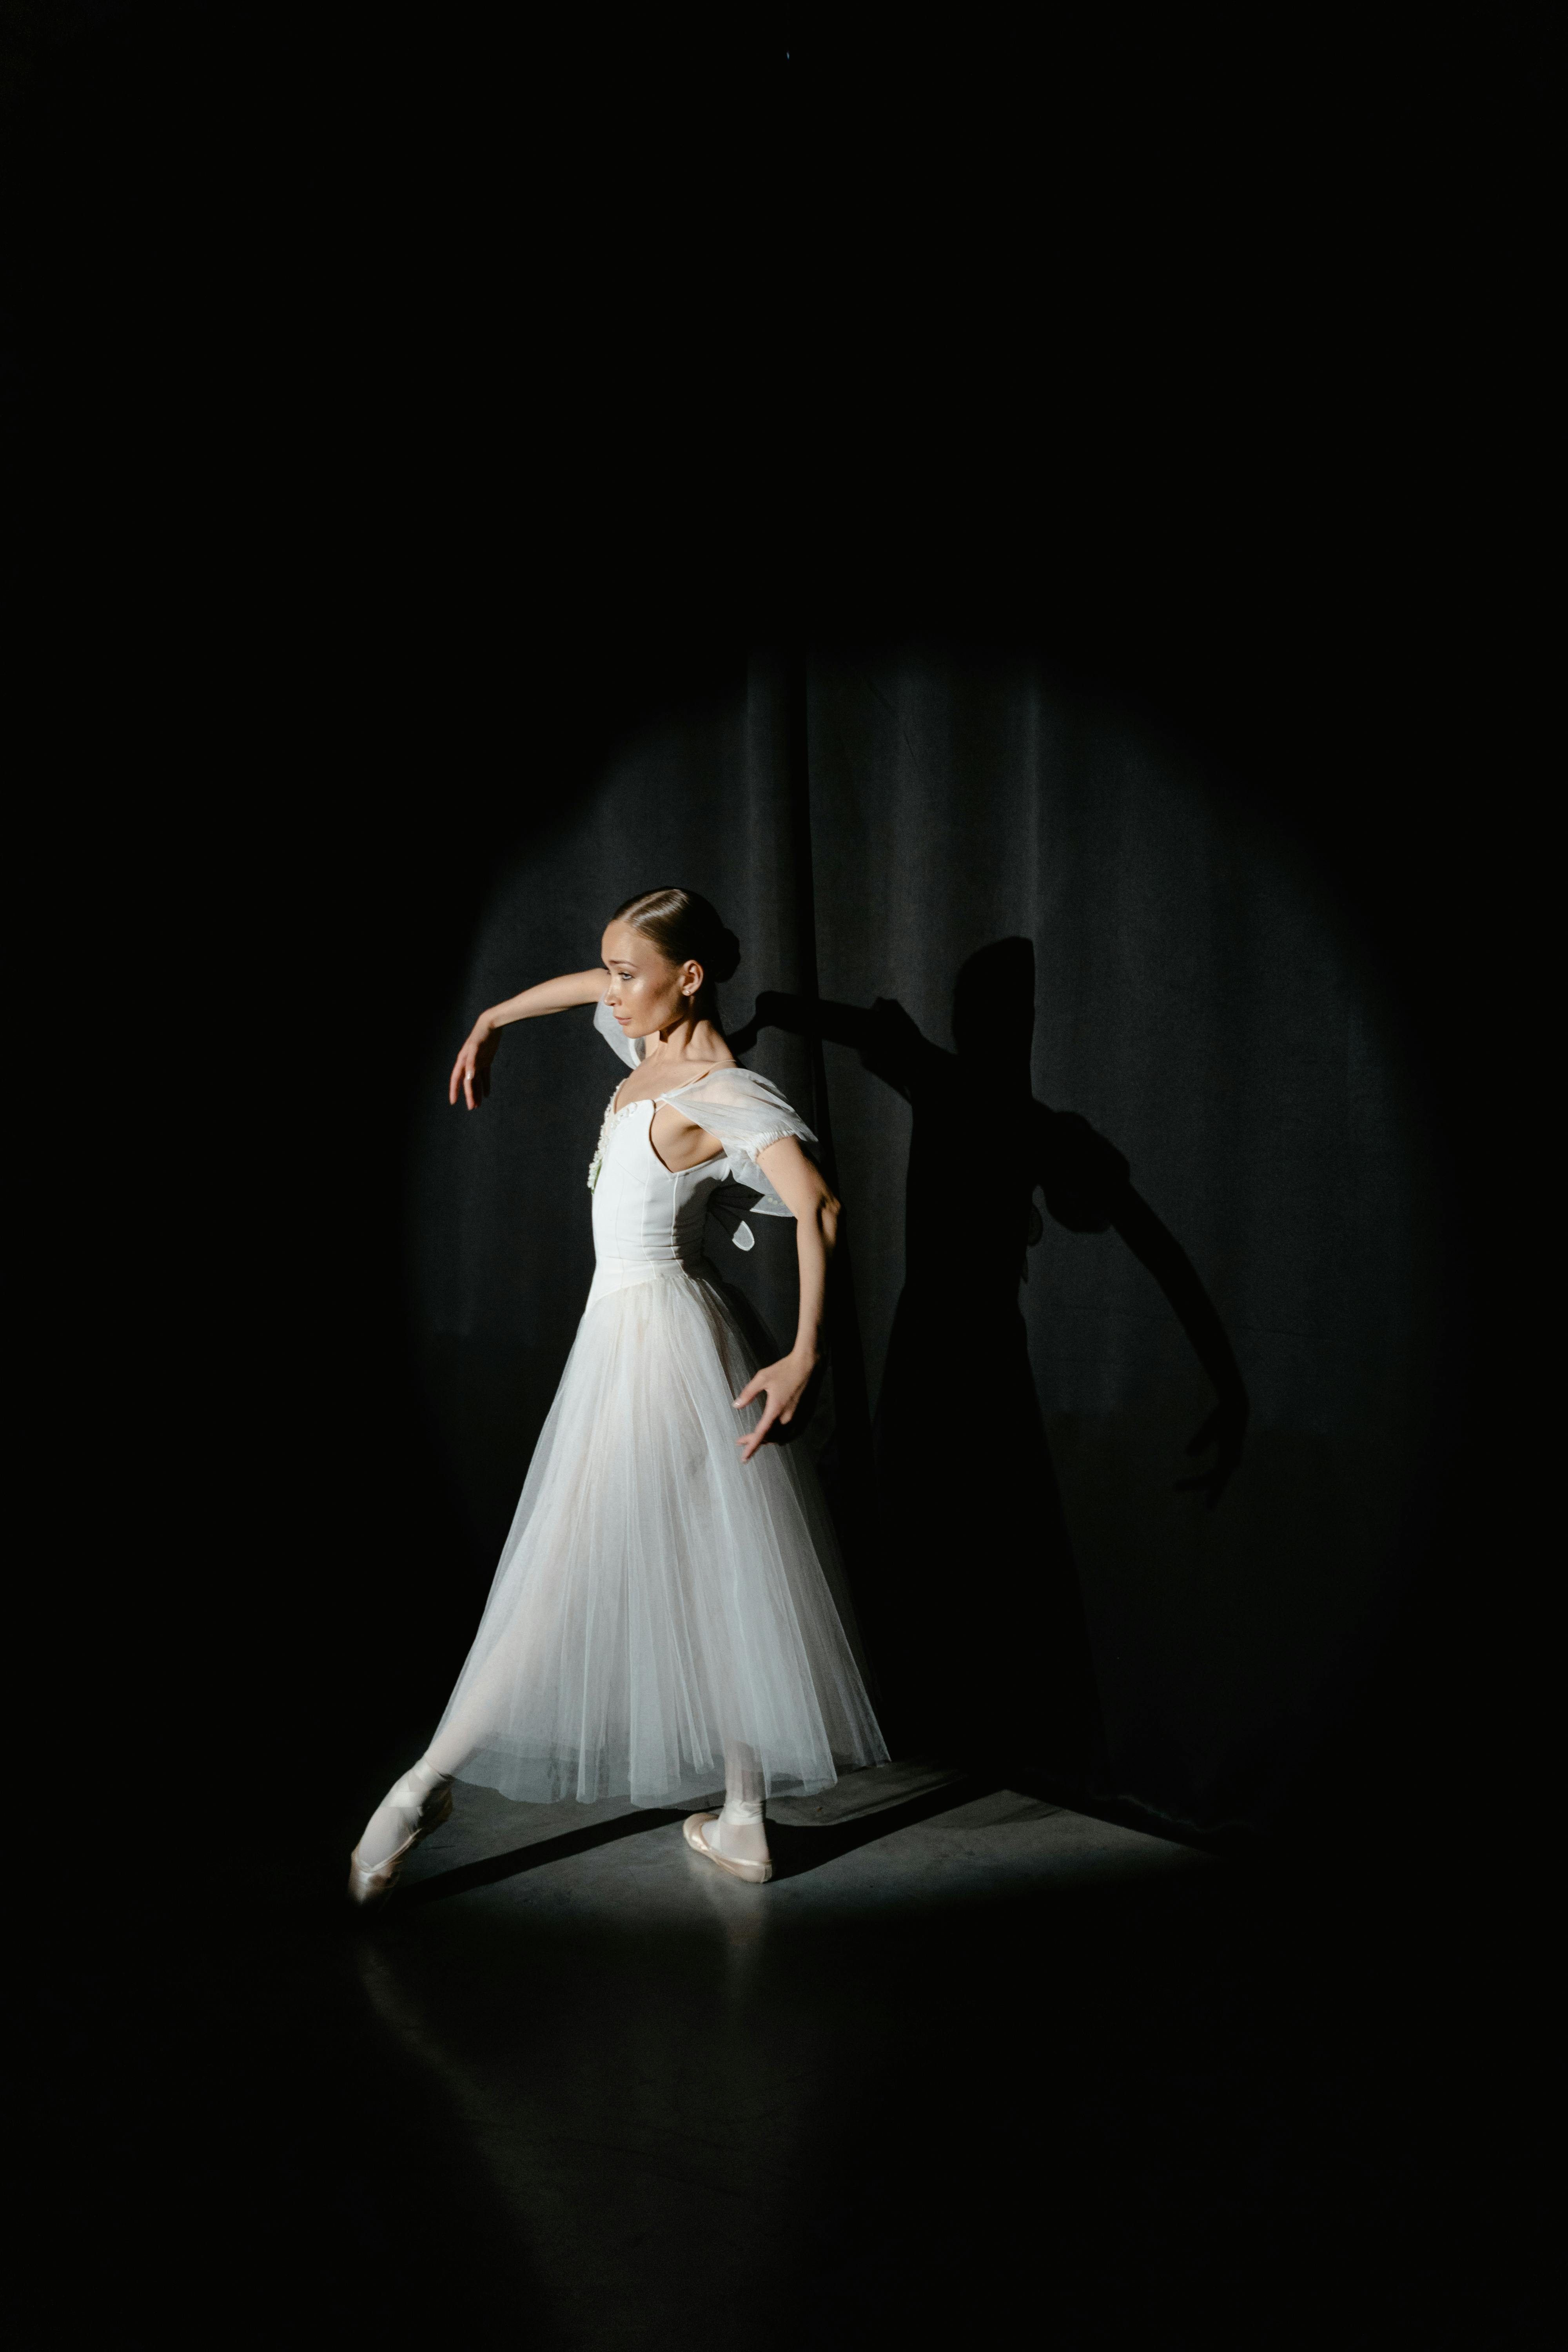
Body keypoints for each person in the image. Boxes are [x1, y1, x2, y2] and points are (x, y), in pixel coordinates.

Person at [348, 887, 887, 1905]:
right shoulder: (648, 1047)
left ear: (688, 978)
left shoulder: (721, 1091)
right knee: (709, 1575)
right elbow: (580, 993)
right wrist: (493, 1018)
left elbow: (818, 1202)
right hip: (659, 1343)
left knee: (551, 1576)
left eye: (630, 974)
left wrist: (807, 1352)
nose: (612, 993)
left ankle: (420, 1789)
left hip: (656, 1347)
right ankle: (741, 1819)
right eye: (610, 971)